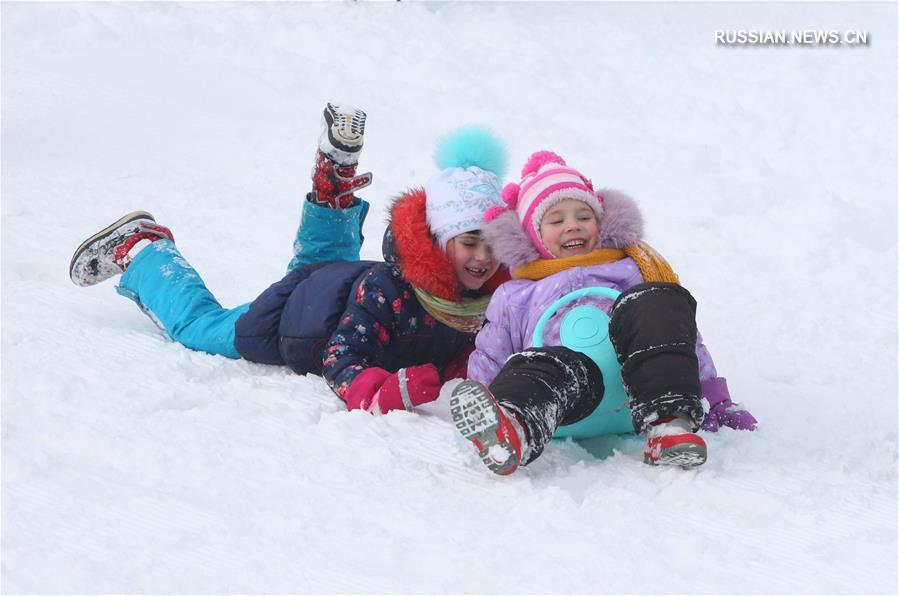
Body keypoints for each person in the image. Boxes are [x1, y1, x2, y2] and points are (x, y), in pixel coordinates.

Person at [69, 104, 510, 414]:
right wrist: (391, 390)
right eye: (470, 241)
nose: (483, 257)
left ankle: (333, 183)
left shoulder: (475, 301)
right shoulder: (391, 292)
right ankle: (145, 250)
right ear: (434, 239)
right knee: (198, 327)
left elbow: (462, 350)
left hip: (331, 286)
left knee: (321, 262)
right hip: (291, 319)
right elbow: (342, 359)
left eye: (493, 244)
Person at [450, 150, 757, 475]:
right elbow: (493, 352)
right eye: (556, 220)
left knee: (660, 299)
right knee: (541, 364)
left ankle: (668, 426)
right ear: (534, 235)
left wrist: (715, 398)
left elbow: (678, 336)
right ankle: (513, 424)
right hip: (566, 399)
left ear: (600, 222)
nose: (572, 226)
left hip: (637, 389)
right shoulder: (517, 293)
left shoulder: (631, 269)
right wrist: (488, 396)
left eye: (584, 217)